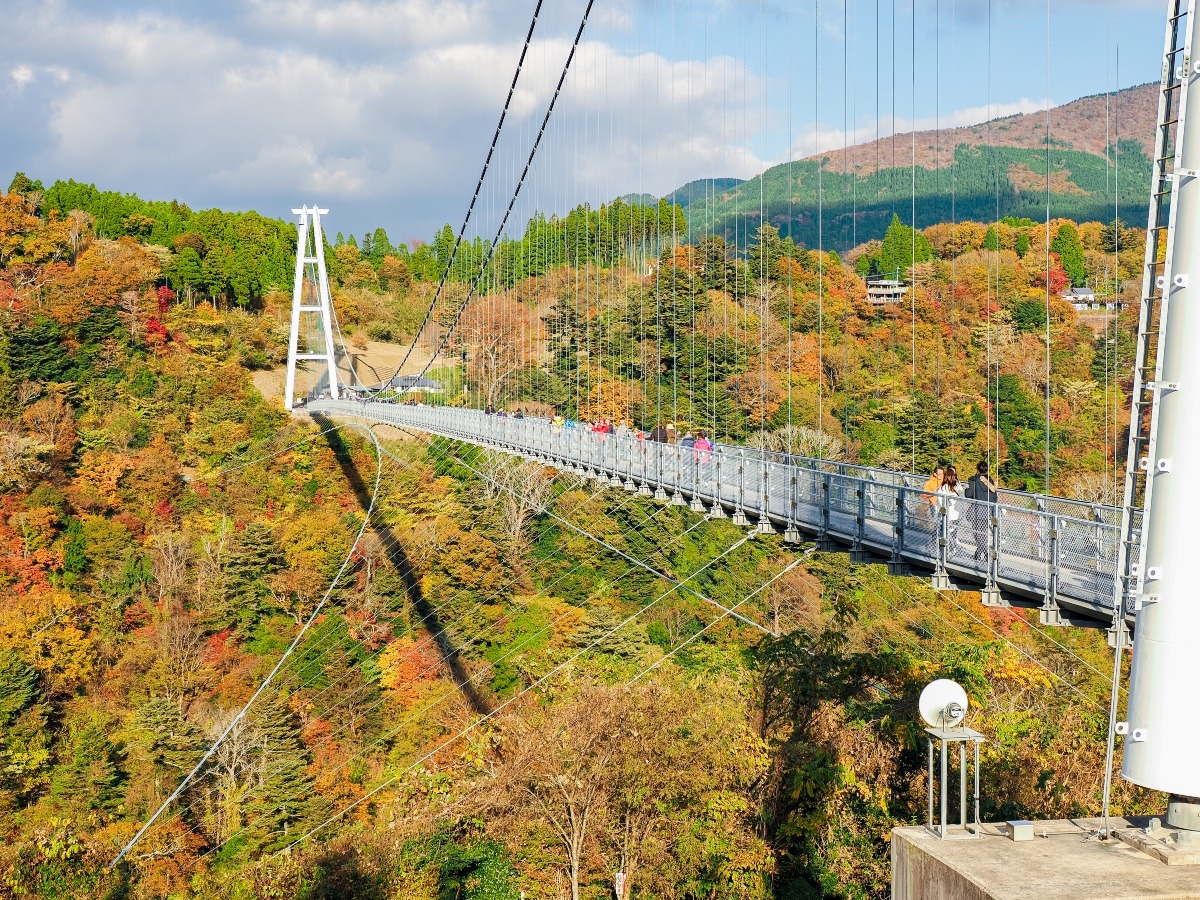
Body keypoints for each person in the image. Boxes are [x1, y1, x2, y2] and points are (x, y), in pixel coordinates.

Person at [965, 461, 999, 562]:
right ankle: (979, 554)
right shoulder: (990, 480)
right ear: (987, 469)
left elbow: (969, 494)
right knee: (983, 533)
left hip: (977, 510)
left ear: (977, 468)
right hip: (987, 510)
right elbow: (994, 497)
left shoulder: (973, 480)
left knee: (977, 533)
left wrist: (967, 490)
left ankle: (984, 553)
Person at [939, 465, 965, 546]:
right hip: (956, 513)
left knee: (945, 531)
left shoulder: (943, 487)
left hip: (947, 514)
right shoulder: (957, 486)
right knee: (953, 529)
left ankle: (946, 549)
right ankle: (952, 546)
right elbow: (962, 496)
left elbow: (940, 500)